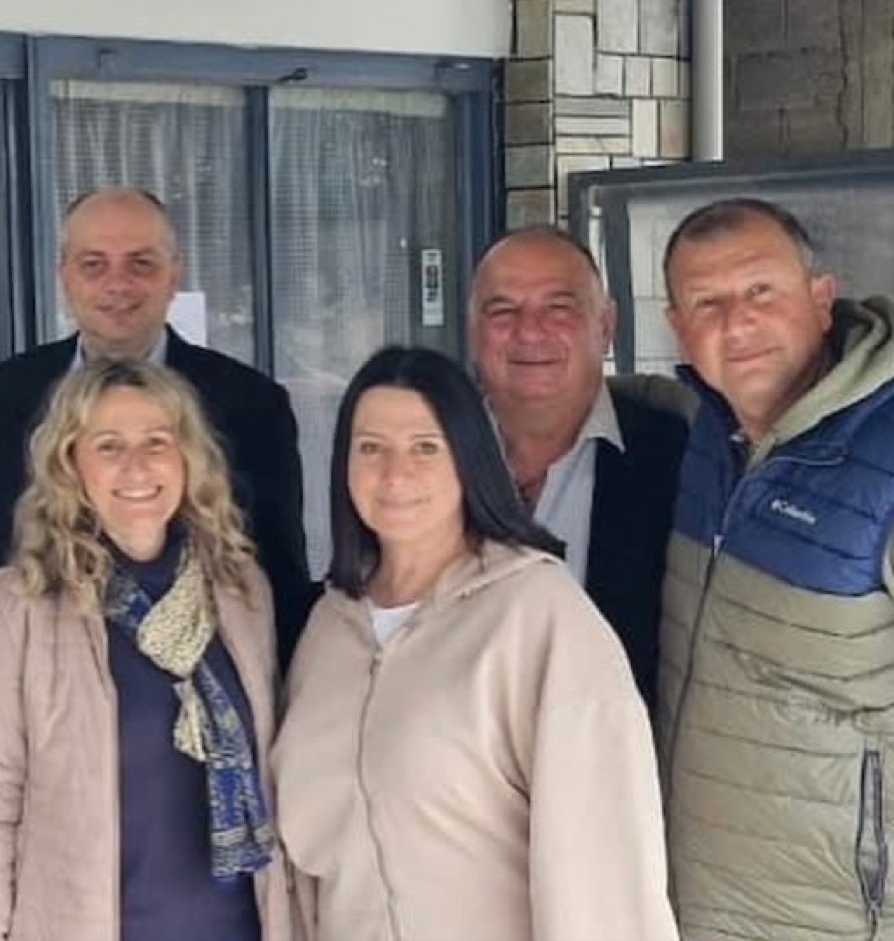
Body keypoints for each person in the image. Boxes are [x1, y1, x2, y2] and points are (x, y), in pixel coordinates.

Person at [272, 346, 675, 941]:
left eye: (425, 447)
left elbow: (604, 868)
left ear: (469, 458)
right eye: (371, 448)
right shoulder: (328, 630)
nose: (395, 474)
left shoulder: (539, 615)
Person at [658, 198, 894, 940]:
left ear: (821, 299)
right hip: (700, 909)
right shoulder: (708, 440)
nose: (738, 323)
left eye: (762, 291)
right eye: (708, 303)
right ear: (677, 329)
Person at [0, 358, 293, 941]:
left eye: (157, 441)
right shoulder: (12, 609)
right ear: (69, 464)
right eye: (109, 446)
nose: (137, 465)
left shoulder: (240, 592)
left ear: (188, 457)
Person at [0, 186, 314, 665]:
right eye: (93, 264)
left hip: (204, 676)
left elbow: (280, 572)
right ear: (63, 277)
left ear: (174, 276)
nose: (118, 283)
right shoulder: (1, 395)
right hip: (49, 673)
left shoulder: (254, 403)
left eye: (141, 263)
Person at [470, 227, 689, 705]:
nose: (530, 332)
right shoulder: (428, 454)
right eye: (502, 311)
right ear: (473, 331)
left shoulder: (677, 457)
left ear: (605, 327)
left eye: (559, 309)